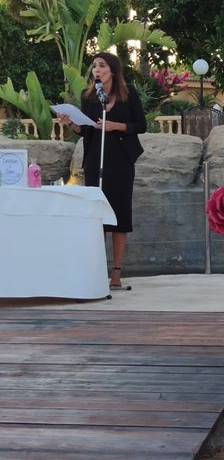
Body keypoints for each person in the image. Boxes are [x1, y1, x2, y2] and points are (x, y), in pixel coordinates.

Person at [58, 52, 146, 290]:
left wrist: (115, 126)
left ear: (113, 70)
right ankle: (97, 270)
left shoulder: (128, 95)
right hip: (96, 159)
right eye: (94, 66)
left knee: (119, 215)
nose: (97, 70)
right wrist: (72, 123)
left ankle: (116, 272)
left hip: (120, 161)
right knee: (96, 216)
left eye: (102, 66)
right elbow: (86, 130)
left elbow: (141, 125)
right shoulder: (89, 97)